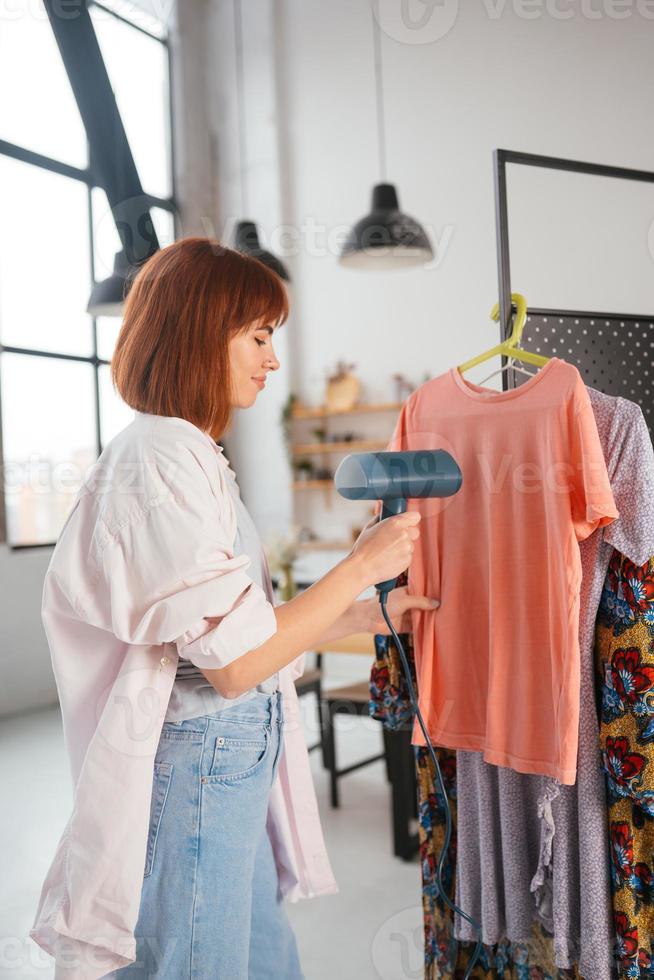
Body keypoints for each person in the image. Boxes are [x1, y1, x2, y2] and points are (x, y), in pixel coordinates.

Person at [31, 237, 438, 979]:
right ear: (197, 332)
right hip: (202, 754)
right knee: (201, 961)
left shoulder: (189, 454)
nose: (271, 359)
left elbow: (232, 628)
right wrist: (356, 568)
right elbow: (234, 663)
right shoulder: (159, 460)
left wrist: (358, 615)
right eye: (258, 336)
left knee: (257, 955)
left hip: (225, 752)